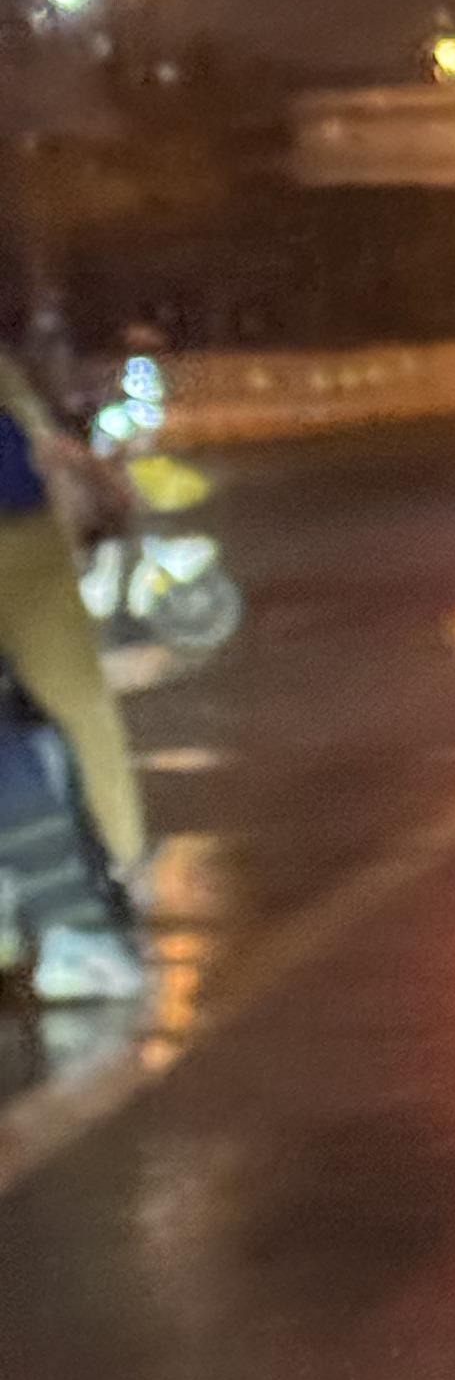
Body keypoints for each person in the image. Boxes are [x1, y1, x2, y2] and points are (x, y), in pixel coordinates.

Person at [0, 332, 146, 1002]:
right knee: (62, 710)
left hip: (19, 518)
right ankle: (88, 901)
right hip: (19, 520)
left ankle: (68, 913)